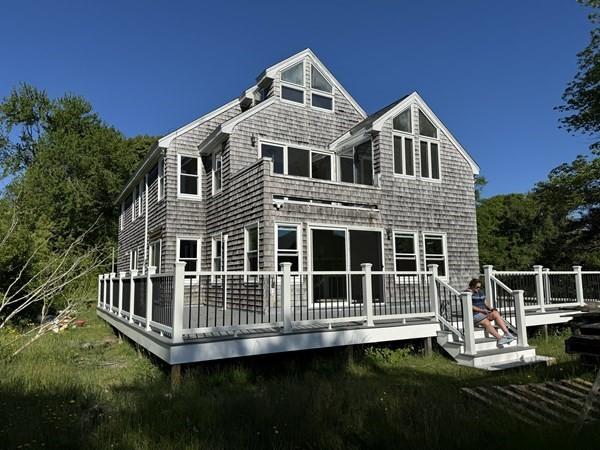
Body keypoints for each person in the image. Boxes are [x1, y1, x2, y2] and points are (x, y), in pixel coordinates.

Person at [468, 278, 515, 345]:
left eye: (479, 287)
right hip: (474, 314)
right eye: (477, 287)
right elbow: (470, 306)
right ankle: (500, 338)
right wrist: (482, 310)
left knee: (495, 313)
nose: (478, 289)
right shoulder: (467, 293)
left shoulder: (480, 292)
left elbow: (484, 302)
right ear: (472, 286)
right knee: (487, 323)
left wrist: (491, 309)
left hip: (484, 312)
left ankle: (507, 333)